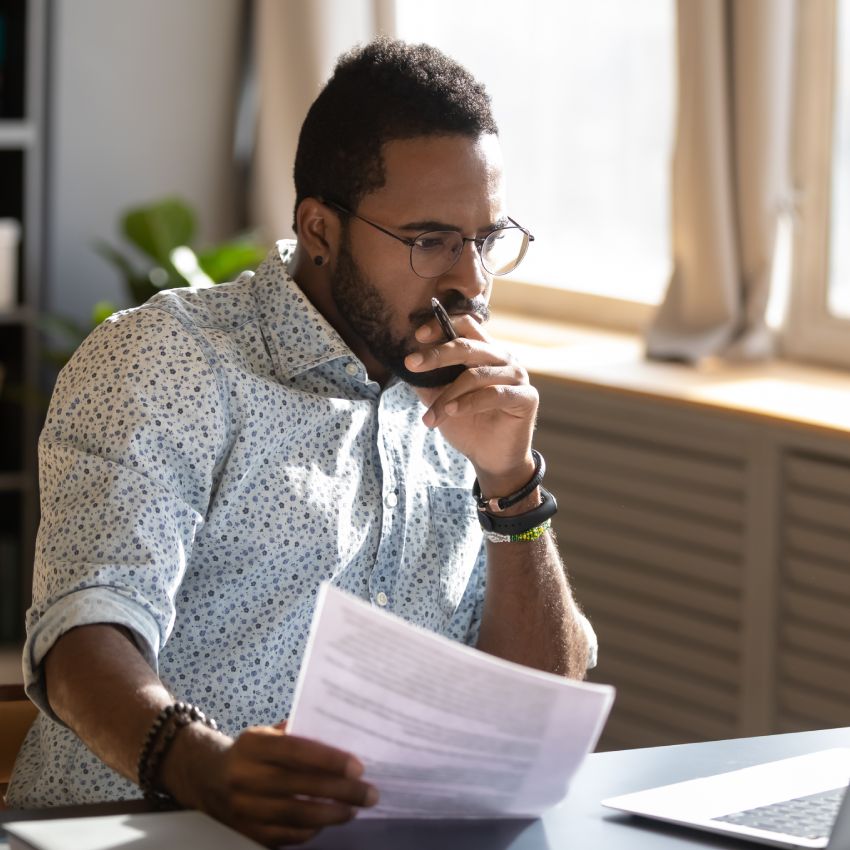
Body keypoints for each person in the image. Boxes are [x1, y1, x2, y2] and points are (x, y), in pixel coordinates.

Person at [7, 38, 596, 846]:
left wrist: (511, 485)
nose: (471, 282)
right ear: (320, 228)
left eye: (485, 240)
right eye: (430, 241)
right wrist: (201, 766)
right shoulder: (169, 362)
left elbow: (534, 714)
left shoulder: (465, 403)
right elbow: (84, 634)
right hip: (130, 831)